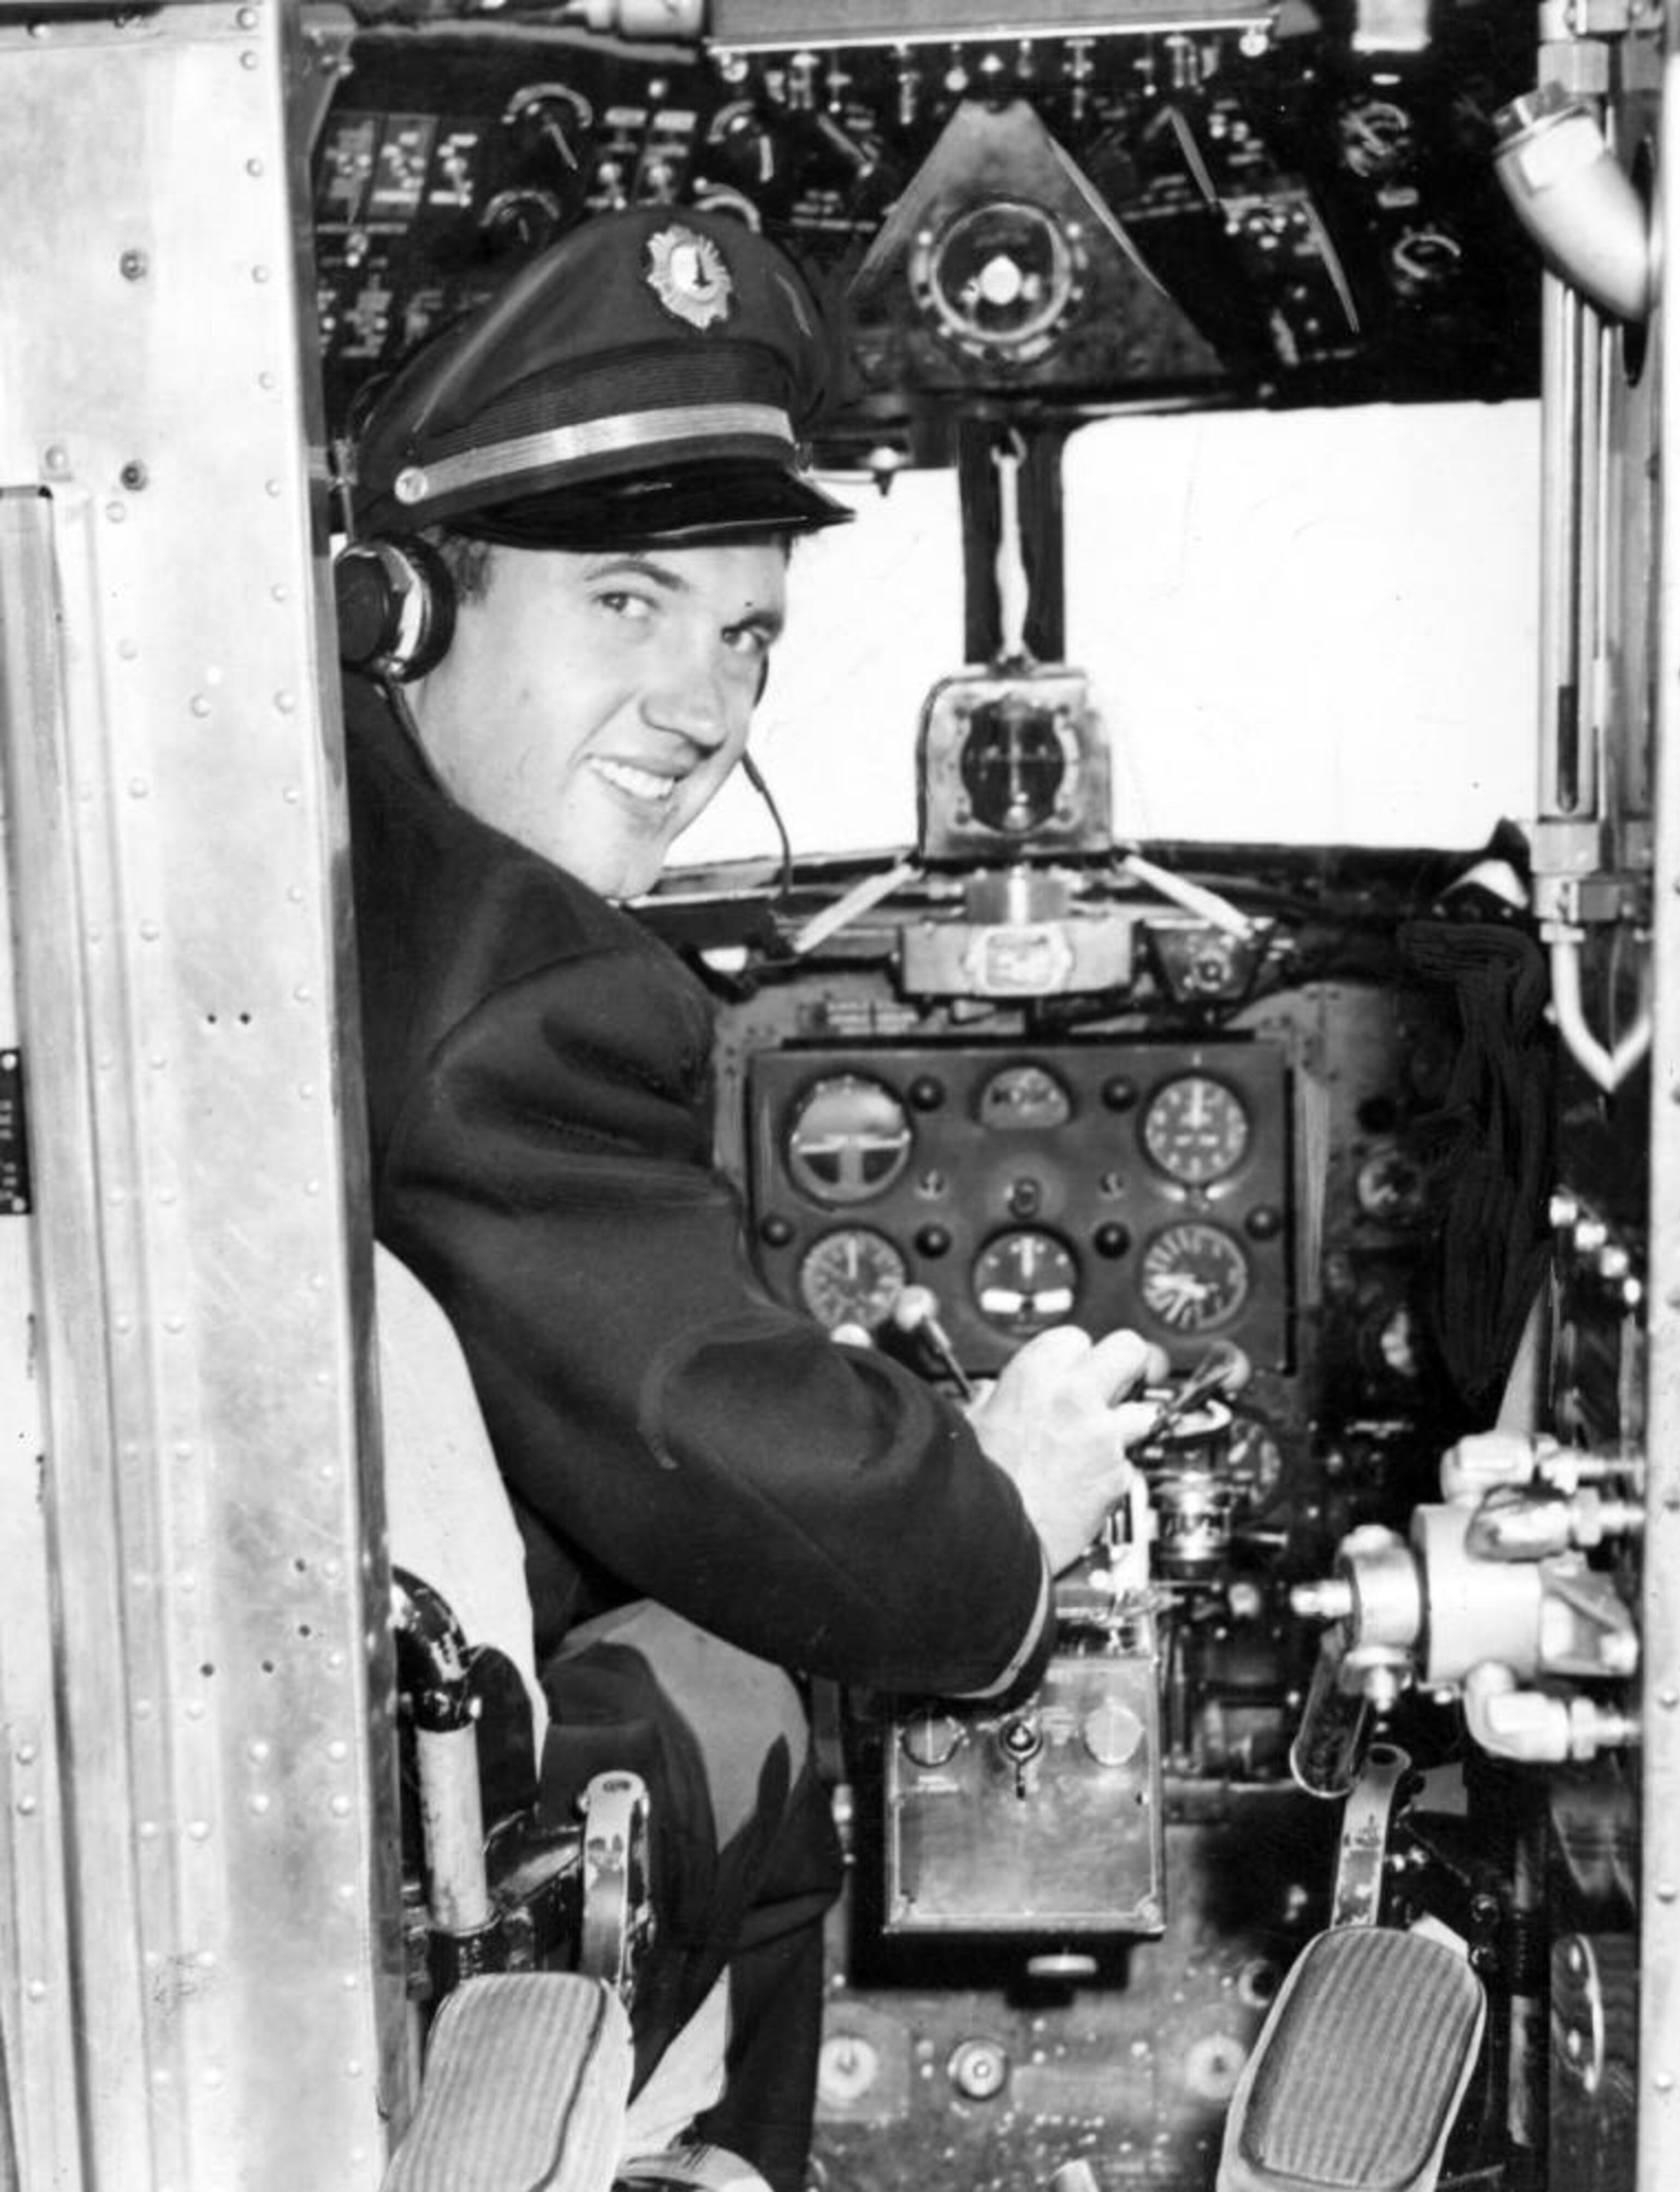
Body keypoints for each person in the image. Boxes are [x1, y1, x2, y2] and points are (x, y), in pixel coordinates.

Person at [339, 208, 1157, 2189]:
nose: (707, 708)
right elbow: (734, 1451)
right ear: (401, 612)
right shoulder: (517, 981)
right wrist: (1001, 1507)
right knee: (759, 1669)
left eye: (747, 633)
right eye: (627, 605)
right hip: (428, 1830)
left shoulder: (338, 876)